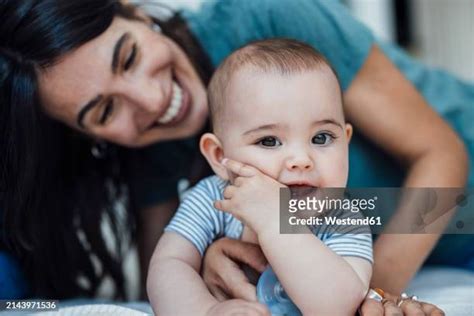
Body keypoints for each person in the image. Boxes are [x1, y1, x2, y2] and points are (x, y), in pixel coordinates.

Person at [0, 0, 469, 314]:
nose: (150, 98)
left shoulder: (268, 17)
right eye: (104, 110)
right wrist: (206, 283)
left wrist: (372, 294)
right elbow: (163, 272)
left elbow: (442, 155)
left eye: (128, 57)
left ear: (136, 13)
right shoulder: (153, 152)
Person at [147, 38, 373, 315]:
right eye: (268, 141)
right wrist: (206, 311)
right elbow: (169, 264)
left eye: (321, 137)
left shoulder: (342, 217)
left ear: (346, 141)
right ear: (219, 156)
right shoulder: (211, 199)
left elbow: (339, 305)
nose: (301, 160)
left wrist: (274, 220)